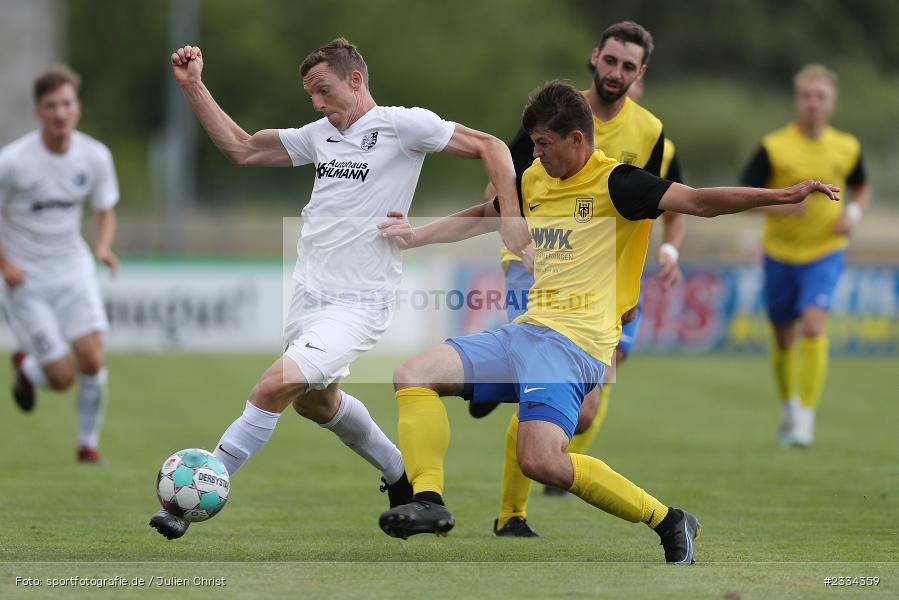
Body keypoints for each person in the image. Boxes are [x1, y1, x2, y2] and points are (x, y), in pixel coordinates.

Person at [376, 81, 839, 564]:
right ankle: (428, 500)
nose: (535, 153)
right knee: (413, 375)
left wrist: (783, 195)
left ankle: (668, 519)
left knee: (540, 461)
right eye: (533, 143)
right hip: (527, 331)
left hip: (573, 345)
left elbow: (700, 201)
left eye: (543, 144)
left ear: (576, 139)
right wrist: (415, 236)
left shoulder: (618, 183)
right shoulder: (535, 179)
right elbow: (482, 215)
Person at [148, 39, 530, 539]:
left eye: (323, 90)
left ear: (355, 79)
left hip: (359, 303)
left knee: (271, 387)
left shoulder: (402, 125)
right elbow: (242, 148)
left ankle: (193, 496)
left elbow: (491, 146)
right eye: (310, 94)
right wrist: (194, 87)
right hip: (308, 296)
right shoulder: (319, 136)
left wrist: (511, 217)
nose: (316, 103)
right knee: (316, 403)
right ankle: (400, 476)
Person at [471, 21, 687, 535]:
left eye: (627, 65)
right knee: (538, 375)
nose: (615, 72)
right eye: (610, 60)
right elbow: (500, 182)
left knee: (587, 410)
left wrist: (661, 257)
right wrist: (513, 227)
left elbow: (661, 203)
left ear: (640, 73)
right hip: (537, 263)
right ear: (595, 57)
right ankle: (511, 514)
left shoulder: (651, 132)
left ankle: (503, 392)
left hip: (605, 282)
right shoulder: (556, 114)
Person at [740, 64, 869, 447]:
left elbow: (861, 188)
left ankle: (805, 418)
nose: (813, 103)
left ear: (832, 103)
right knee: (783, 338)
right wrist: (780, 206)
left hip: (825, 251)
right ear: (797, 101)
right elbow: (743, 196)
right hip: (779, 254)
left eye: (820, 97)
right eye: (807, 96)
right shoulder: (774, 146)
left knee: (813, 326)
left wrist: (852, 215)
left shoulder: (847, 146)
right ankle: (789, 405)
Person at [1, 66, 119, 465]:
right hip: (26, 282)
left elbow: (104, 209)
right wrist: (5, 264)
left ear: (77, 108)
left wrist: (102, 246)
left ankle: (87, 446)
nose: (60, 112)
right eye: (51, 106)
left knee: (93, 361)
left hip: (73, 272)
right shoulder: (13, 162)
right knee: (62, 378)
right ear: (39, 112)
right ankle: (28, 368)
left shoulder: (95, 156)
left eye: (66, 103)